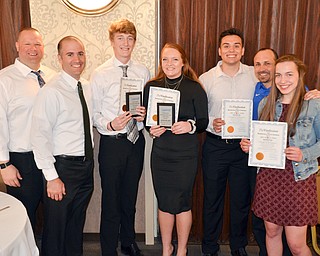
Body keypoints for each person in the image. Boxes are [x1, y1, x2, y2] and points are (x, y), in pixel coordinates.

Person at [241, 54, 319, 256]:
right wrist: (250, 145)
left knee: (296, 245)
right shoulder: (266, 103)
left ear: (300, 75)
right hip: (269, 178)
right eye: (278, 75)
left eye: (289, 74)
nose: (283, 81)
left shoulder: (313, 104)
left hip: (298, 180)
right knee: (272, 232)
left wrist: (305, 154)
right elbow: (261, 138)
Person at [90, 19, 150, 256]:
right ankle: (107, 248)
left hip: (135, 141)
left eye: (130, 38)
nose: (126, 43)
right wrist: (110, 123)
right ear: (112, 41)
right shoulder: (100, 73)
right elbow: (93, 112)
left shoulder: (142, 71)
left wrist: (146, 114)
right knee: (111, 199)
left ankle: (128, 241)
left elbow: (148, 105)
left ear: (134, 42)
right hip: (112, 143)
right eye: (120, 38)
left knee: (130, 197)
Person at [143, 43, 209, 256]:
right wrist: (152, 129)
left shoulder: (194, 87)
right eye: (165, 59)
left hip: (185, 155)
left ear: (183, 61)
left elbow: (203, 121)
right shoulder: (152, 86)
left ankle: (181, 250)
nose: (169, 64)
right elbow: (146, 121)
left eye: (174, 59)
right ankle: (166, 248)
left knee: (182, 202)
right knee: (164, 201)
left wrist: (189, 126)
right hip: (161, 153)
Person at [31, 36, 94, 256]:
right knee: (56, 230)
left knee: (75, 226)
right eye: (70, 54)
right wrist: (52, 177)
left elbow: (94, 120)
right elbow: (39, 136)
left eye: (80, 53)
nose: (77, 59)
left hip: (85, 167)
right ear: (59, 58)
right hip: (62, 169)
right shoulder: (51, 91)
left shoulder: (85, 87)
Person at [199, 28, 257, 256]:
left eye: (236, 46)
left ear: (242, 50)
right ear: (219, 50)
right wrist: (214, 122)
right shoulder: (206, 78)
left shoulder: (255, 74)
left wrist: (308, 92)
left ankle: (238, 246)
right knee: (212, 199)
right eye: (226, 45)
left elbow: (284, 87)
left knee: (241, 201)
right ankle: (209, 247)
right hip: (215, 146)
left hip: (244, 148)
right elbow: (200, 115)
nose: (231, 50)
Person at [0, 27, 56, 230]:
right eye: (27, 44)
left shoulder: (54, 77)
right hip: (22, 160)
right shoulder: (4, 79)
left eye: (38, 44)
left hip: (52, 156)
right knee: (23, 217)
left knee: (55, 213)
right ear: (17, 46)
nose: (33, 49)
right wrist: (4, 165)